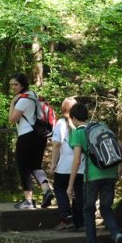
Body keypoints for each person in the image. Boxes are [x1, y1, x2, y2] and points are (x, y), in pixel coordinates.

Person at [67, 102, 122, 243]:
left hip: (92, 176)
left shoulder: (79, 132)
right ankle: (117, 235)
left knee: (88, 211)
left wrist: (70, 185)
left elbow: (76, 161)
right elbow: (120, 144)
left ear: (73, 118)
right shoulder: (101, 126)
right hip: (111, 172)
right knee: (106, 208)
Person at [8, 73, 54, 209]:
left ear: (23, 84)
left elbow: (12, 119)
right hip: (40, 136)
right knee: (35, 166)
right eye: (11, 85)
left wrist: (12, 102)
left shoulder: (22, 100)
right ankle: (46, 190)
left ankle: (28, 201)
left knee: (23, 168)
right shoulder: (34, 96)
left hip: (26, 136)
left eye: (15, 84)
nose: (13, 87)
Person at [51, 97, 84, 230]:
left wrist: (53, 163)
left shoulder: (60, 123)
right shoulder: (83, 125)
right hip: (81, 166)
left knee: (60, 190)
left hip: (64, 166)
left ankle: (67, 218)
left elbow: (56, 145)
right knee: (78, 193)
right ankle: (80, 222)